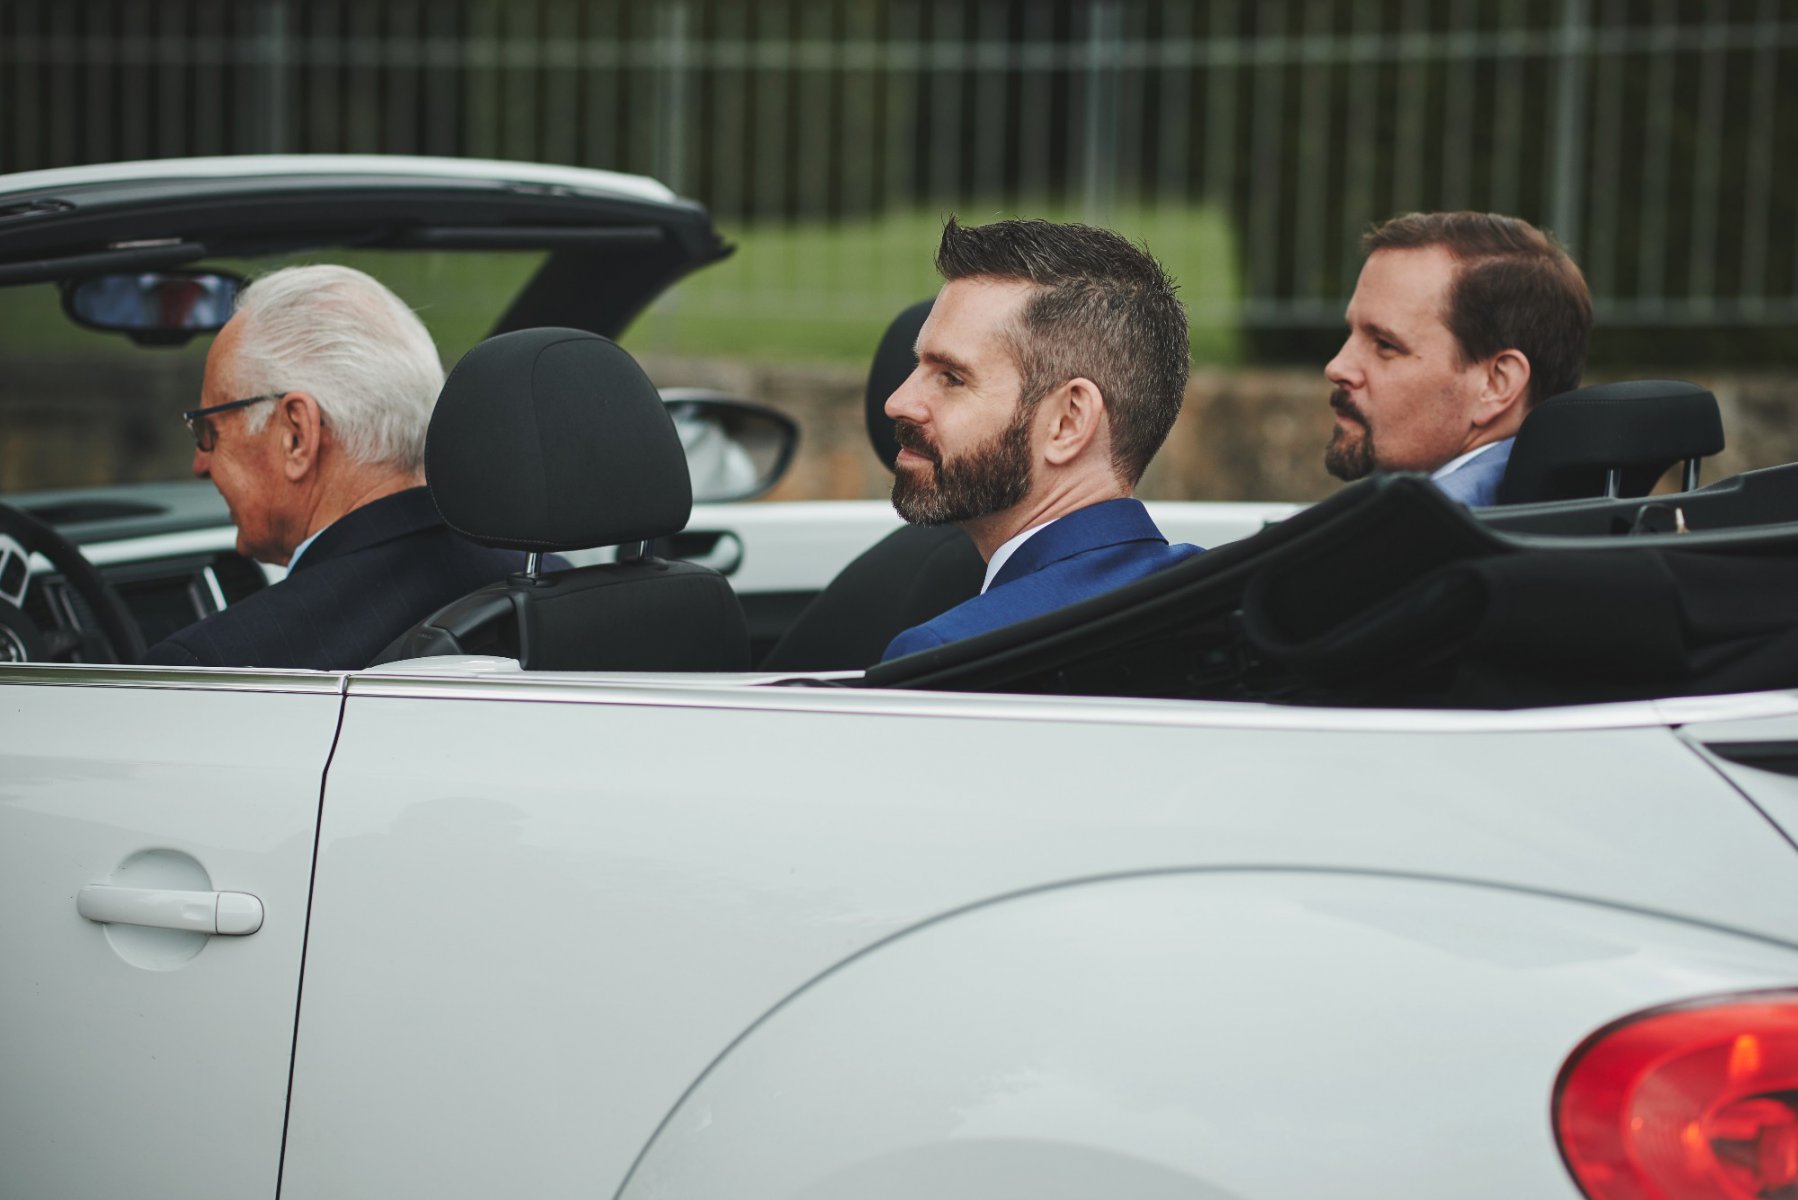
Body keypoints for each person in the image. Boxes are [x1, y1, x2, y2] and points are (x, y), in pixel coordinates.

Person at [143, 264, 538, 670]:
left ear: (297, 435)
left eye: (209, 431)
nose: (200, 463)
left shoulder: (216, 665)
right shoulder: (549, 594)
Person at [878, 217, 1200, 662]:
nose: (897, 402)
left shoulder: (954, 655)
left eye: (951, 377)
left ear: (1068, 422)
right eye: (918, 368)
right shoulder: (1233, 605)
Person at [1323, 211, 1593, 507]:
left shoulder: (1412, 528)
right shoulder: (1573, 507)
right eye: (1351, 333)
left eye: (1386, 345)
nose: (1336, 367)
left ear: (1496, 384)